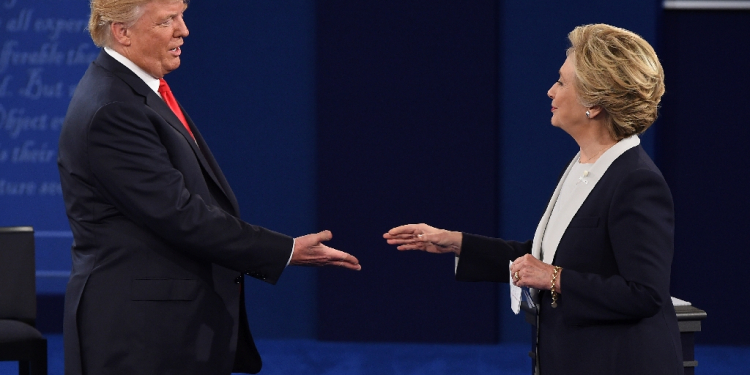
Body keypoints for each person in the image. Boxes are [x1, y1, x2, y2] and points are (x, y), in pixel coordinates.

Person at [57, 0, 361, 374]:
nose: (183, 30)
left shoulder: (136, 91)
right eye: (167, 21)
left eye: (181, 17)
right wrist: (285, 250)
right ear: (123, 32)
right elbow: (180, 215)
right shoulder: (113, 109)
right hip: (139, 336)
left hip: (167, 328)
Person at [384, 24, 682, 375]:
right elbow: (547, 259)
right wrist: (457, 244)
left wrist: (554, 277)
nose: (550, 91)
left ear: (594, 102)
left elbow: (645, 294)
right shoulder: (584, 166)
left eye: (562, 82)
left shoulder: (636, 181)